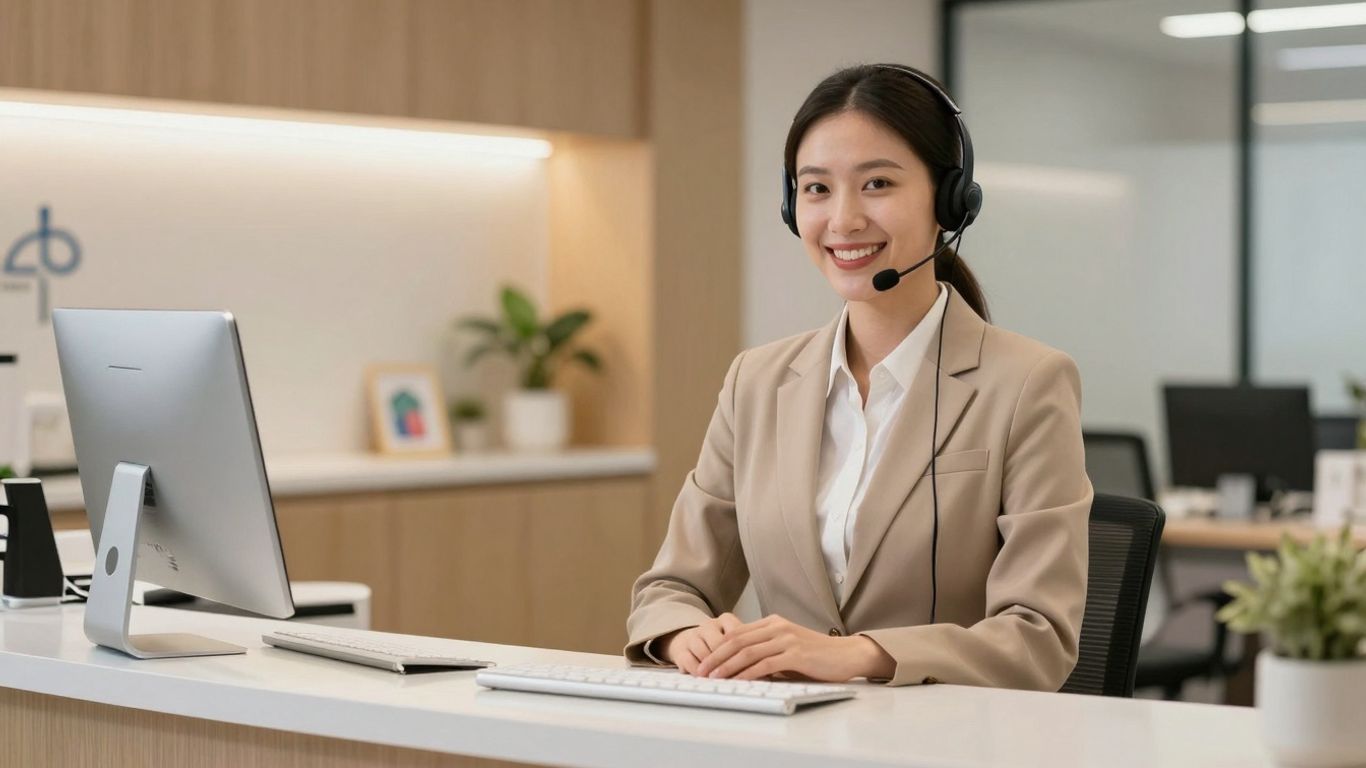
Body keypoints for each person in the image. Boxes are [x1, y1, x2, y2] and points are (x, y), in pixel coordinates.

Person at [624, 63, 1092, 690]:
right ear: (793, 206)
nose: (842, 220)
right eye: (816, 189)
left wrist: (863, 655)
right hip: (782, 739)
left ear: (950, 200)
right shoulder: (756, 382)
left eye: (876, 183)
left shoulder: (1029, 383)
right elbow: (672, 587)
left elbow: (1039, 635)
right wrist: (686, 632)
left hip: (946, 743)